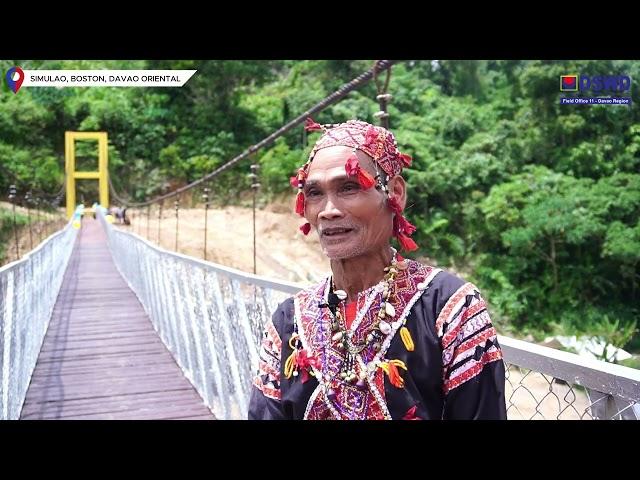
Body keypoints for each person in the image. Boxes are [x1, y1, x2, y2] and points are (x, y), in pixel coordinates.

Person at [248, 119, 506, 420]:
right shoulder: (287, 322)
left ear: (394, 193)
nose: (328, 210)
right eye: (315, 193)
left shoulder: (451, 309)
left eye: (349, 187)